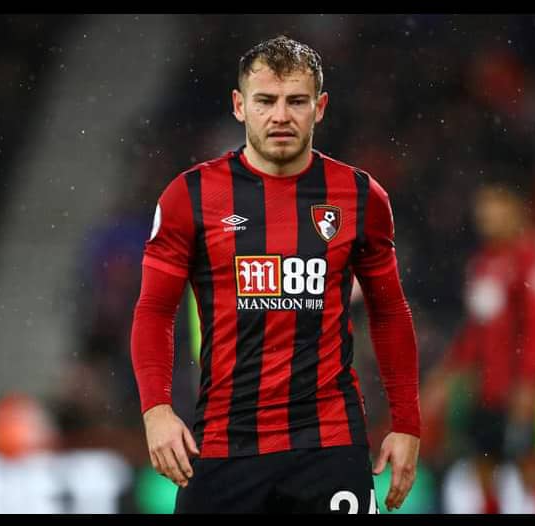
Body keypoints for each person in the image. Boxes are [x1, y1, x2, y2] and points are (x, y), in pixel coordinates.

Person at [130, 35, 420, 514]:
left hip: (329, 442)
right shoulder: (190, 196)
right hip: (225, 442)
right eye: (265, 101)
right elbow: (154, 310)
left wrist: (407, 422)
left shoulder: (360, 197)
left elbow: (389, 311)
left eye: (296, 101)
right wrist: (155, 410)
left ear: (319, 108)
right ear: (239, 105)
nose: (281, 116)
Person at [421, 174, 535, 513]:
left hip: (515, 388)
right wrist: (447, 374)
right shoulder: (483, 263)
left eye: (495, 209)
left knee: (528, 464)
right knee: (483, 467)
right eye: (483, 210)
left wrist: (527, 384)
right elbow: (475, 331)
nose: (486, 218)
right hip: (485, 389)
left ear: (515, 210)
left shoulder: (531, 261)